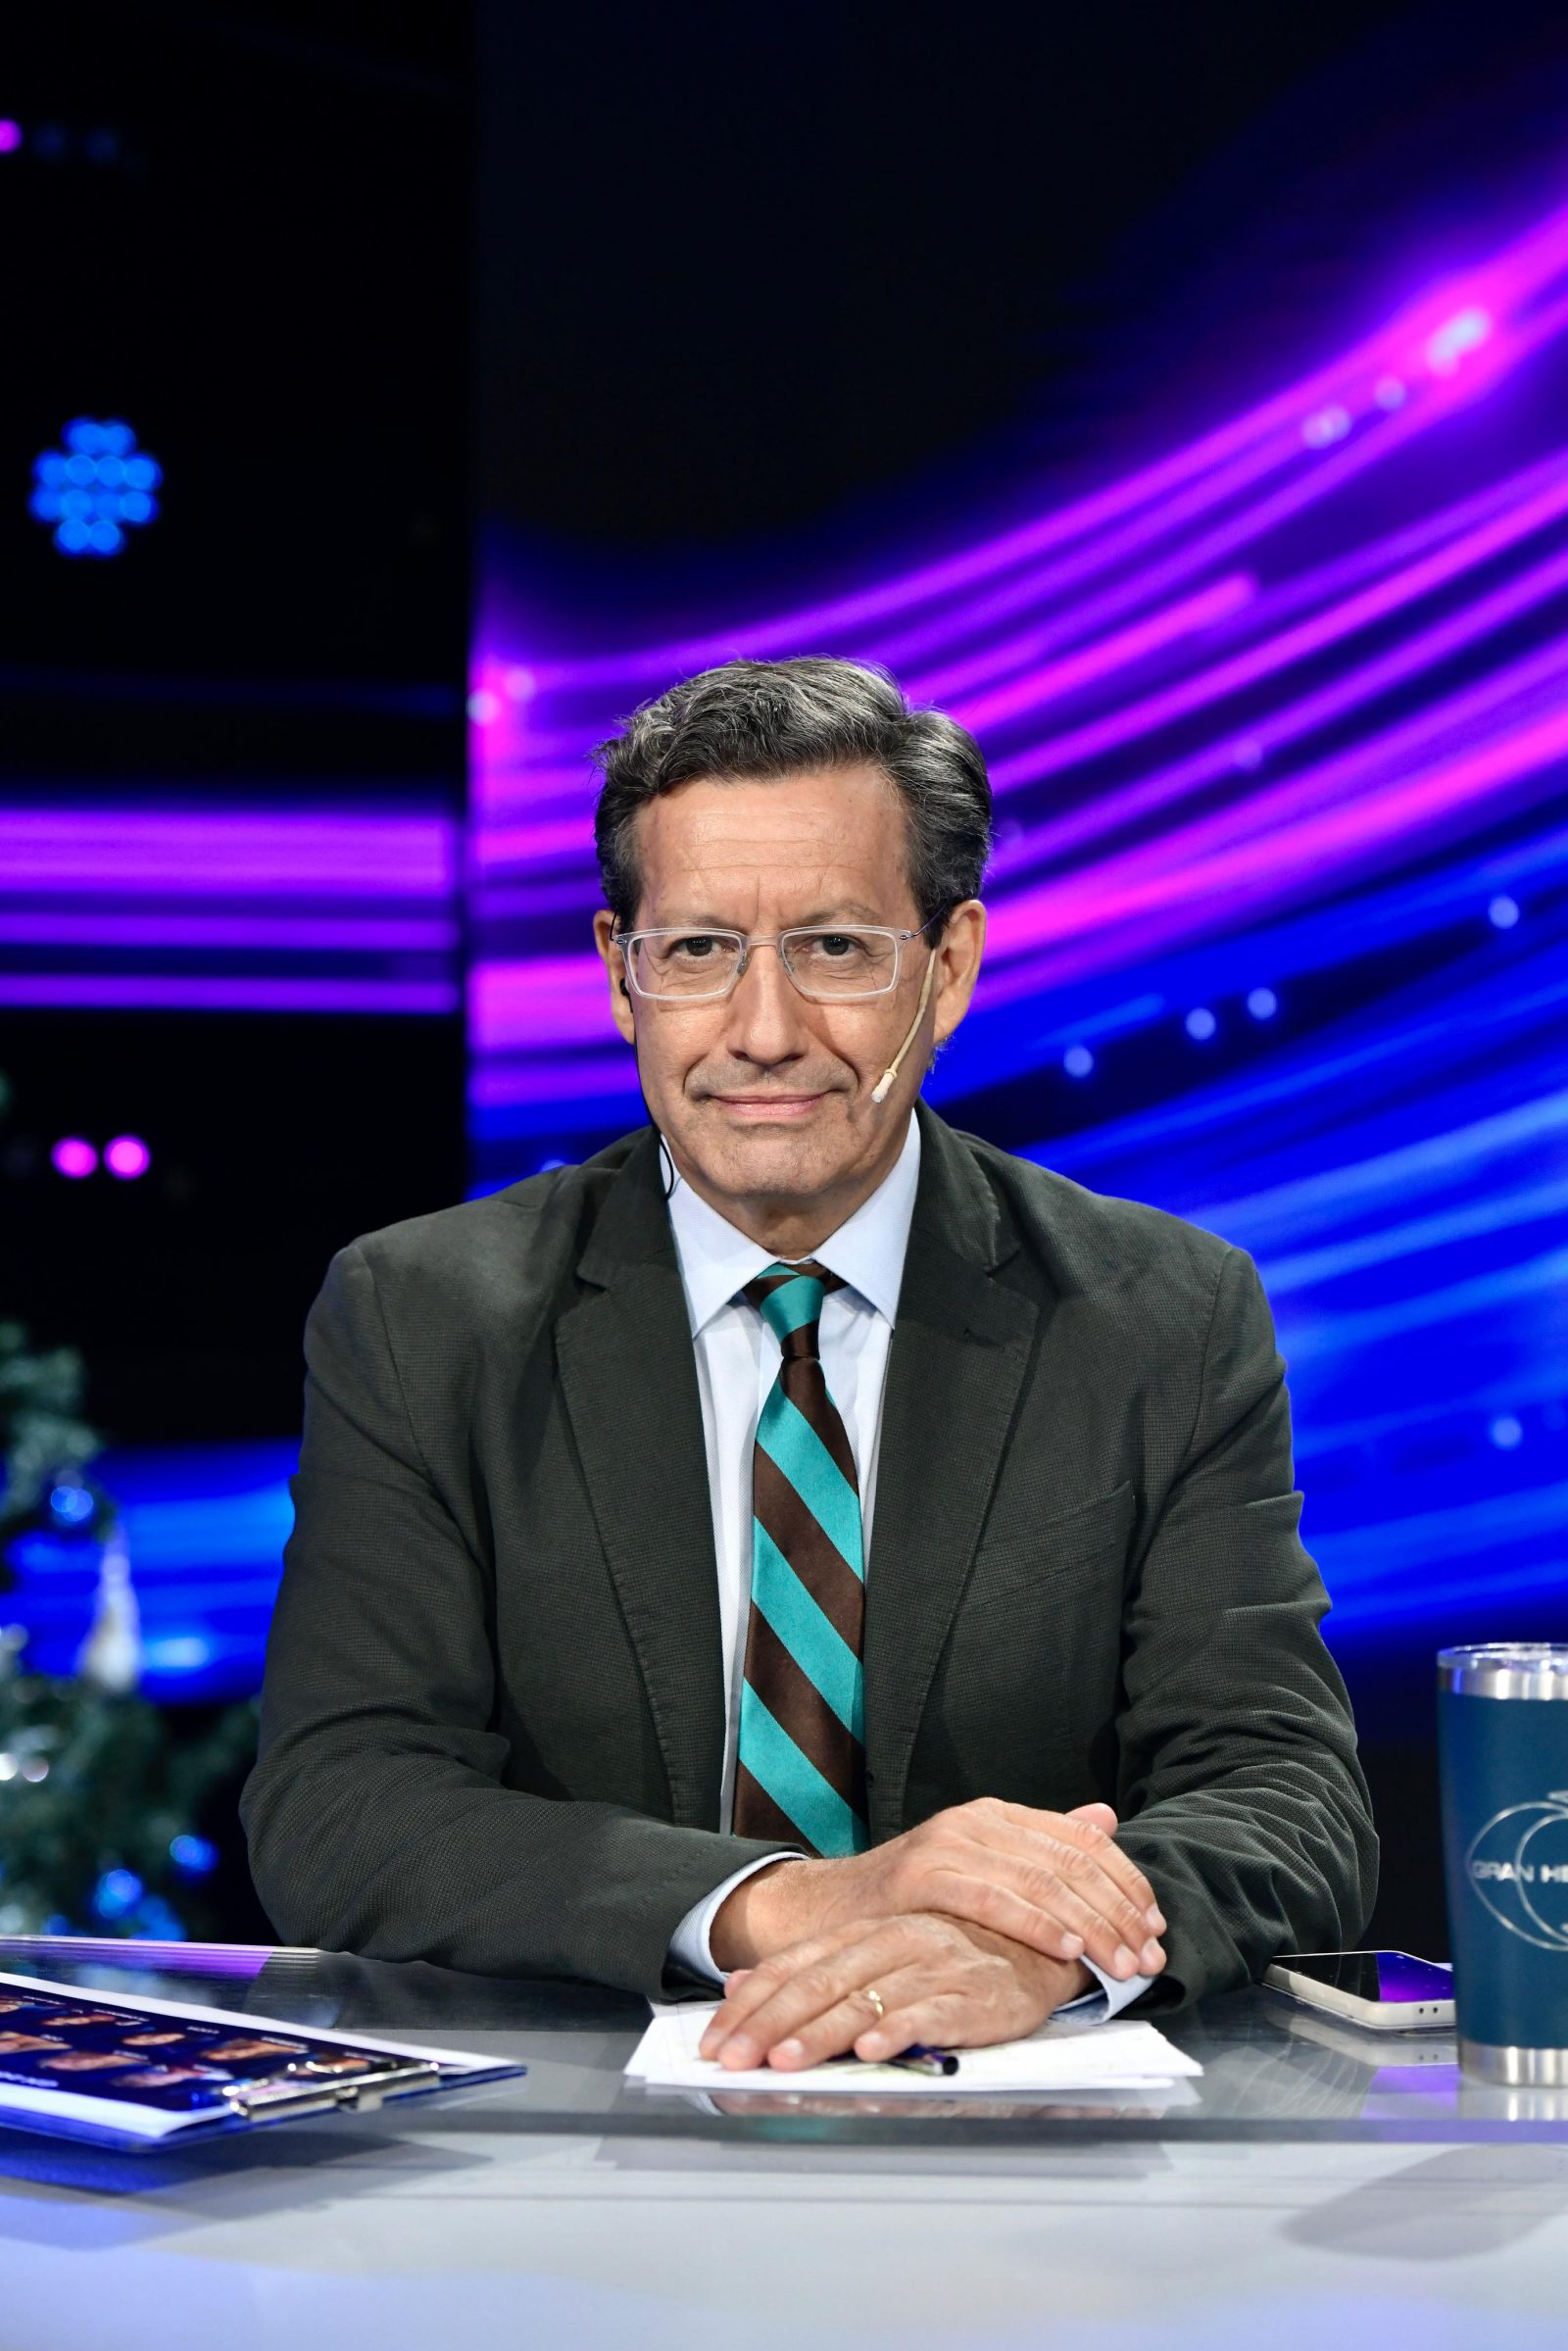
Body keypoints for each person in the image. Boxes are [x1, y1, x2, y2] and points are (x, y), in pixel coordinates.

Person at [243, 656, 1376, 2074]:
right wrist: (786, 1906)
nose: (764, 1032)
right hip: (567, 2140)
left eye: (836, 949)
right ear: (620, 974)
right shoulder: (424, 1317)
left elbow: (1284, 1795)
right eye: (697, 951)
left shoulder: (1162, 1316)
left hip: (1026, 2142)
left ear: (947, 969)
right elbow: (341, 1803)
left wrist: (1042, 1951)